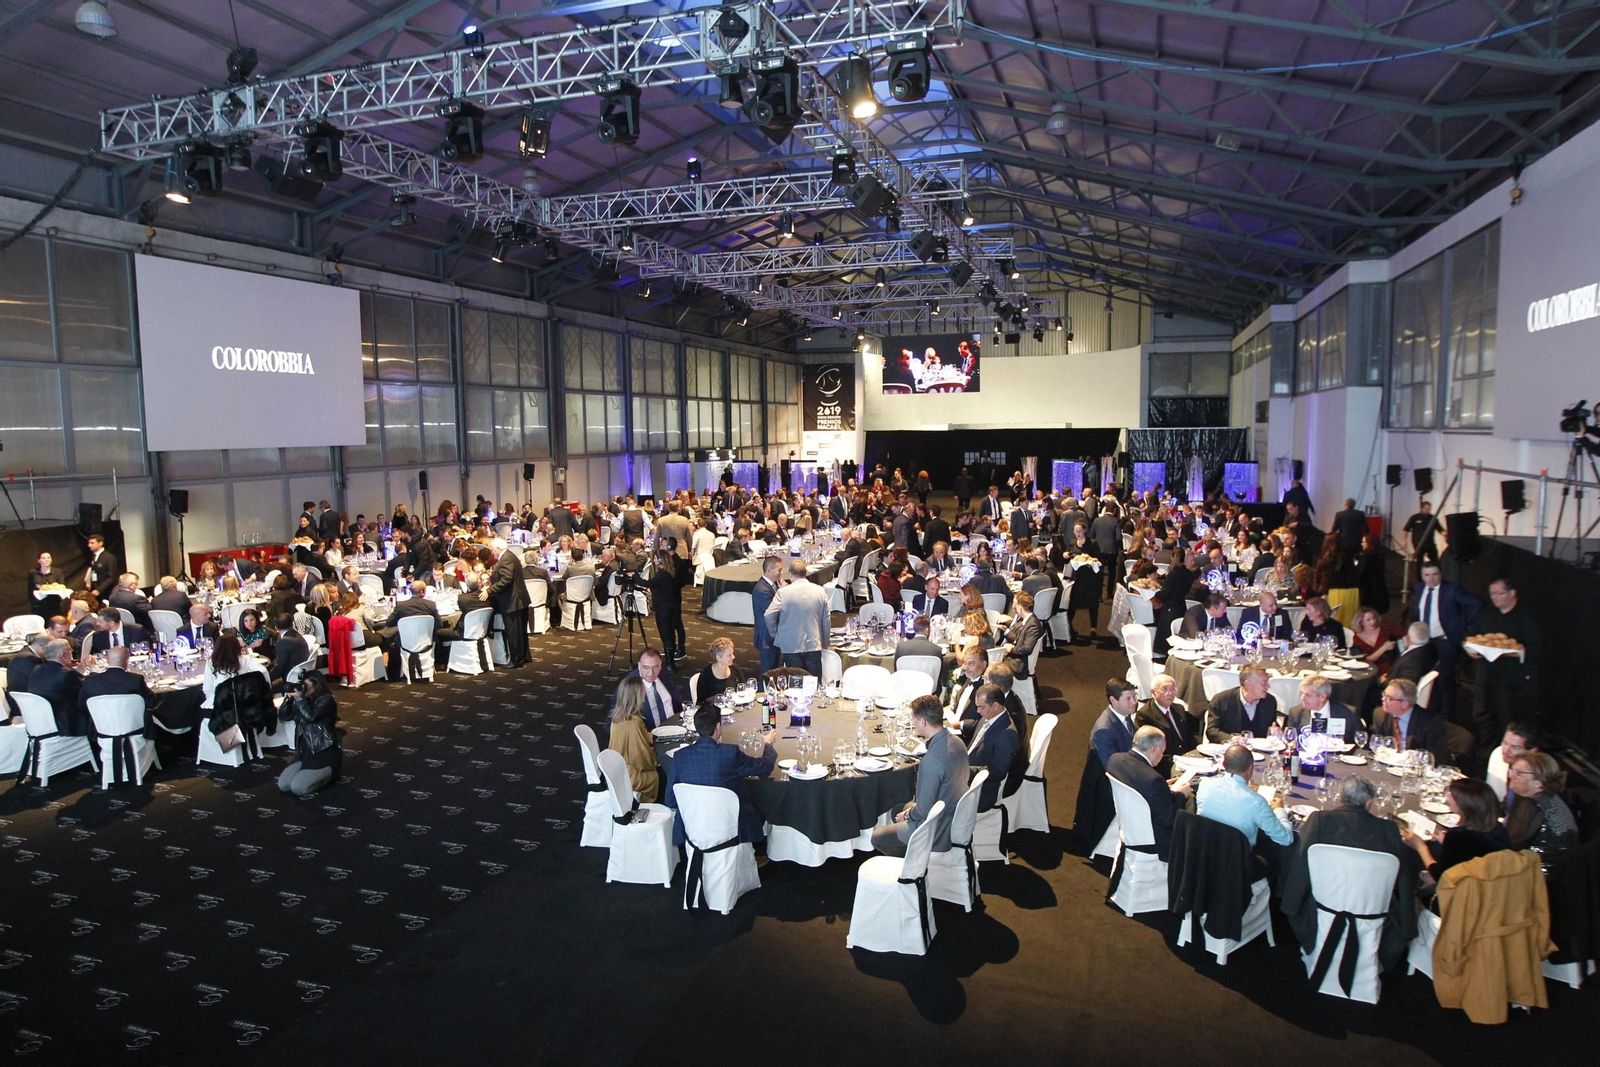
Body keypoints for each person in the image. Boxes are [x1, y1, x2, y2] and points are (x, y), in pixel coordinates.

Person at [1281, 776, 1421, 977]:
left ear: (1341, 798)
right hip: (1372, 911)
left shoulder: (1319, 820)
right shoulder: (1389, 830)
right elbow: (1404, 878)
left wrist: (1290, 905)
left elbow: (1300, 864)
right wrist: (1408, 924)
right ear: (1369, 802)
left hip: (1321, 907)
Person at [665, 703, 776, 846]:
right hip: (733, 830)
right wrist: (768, 744)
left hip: (693, 833)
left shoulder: (680, 756)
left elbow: (670, 800)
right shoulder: (730, 753)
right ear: (718, 727)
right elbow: (764, 767)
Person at [871, 696, 969, 857]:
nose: (913, 723)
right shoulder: (957, 742)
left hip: (936, 826)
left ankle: (915, 861)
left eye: (914, 719)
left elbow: (923, 810)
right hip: (952, 810)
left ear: (923, 722)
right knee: (897, 809)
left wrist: (907, 815)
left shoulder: (932, 760)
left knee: (877, 838)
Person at [1465, 577, 1541, 754]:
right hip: (1486, 675)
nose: (1494, 597)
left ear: (1512, 593)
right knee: (1482, 715)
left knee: (1507, 718)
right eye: (1492, 594)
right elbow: (1470, 636)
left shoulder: (1526, 618)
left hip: (1511, 679)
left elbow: (1534, 648)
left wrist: (1505, 652)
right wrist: (1468, 648)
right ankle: (1485, 756)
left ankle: (1507, 754)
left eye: (1499, 593)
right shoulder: (1487, 614)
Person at [1406, 560, 1481, 721]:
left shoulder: (1452, 589)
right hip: (1424, 642)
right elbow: (1415, 612)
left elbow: (1477, 603)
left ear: (1441, 574)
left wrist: (1465, 626)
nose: (1431, 579)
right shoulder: (1419, 588)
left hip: (1445, 641)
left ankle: (1447, 719)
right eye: (1427, 575)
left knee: (1445, 680)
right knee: (1423, 678)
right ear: (1422, 576)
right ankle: (1426, 714)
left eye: (1435, 574)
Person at [1400, 778, 1509, 888]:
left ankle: (1406, 895)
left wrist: (1420, 846)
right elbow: (1469, 852)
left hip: (1462, 890)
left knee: (1409, 854)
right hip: (1492, 886)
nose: (1448, 797)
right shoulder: (1500, 830)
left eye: (1451, 795)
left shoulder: (1459, 836)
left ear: (1463, 804)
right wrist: (1445, 840)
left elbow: (1440, 875)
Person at [1107, 725, 1193, 862]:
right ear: (1153, 749)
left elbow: (1137, 782)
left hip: (1128, 825)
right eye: (1162, 751)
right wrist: (1181, 794)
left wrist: (1163, 788)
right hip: (1153, 839)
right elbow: (1169, 820)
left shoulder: (1115, 760)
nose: (1162, 756)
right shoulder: (1153, 779)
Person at [1196, 743, 1293, 851]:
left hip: (1203, 853)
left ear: (1223, 764)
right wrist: (1279, 809)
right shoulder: (1257, 802)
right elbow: (1286, 839)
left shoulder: (1204, 784)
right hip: (1237, 859)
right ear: (1251, 768)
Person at [276, 670, 342, 797]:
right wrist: (289, 699)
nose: (302, 688)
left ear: (316, 685)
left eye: (306, 686)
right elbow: (284, 716)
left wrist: (300, 699)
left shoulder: (326, 700)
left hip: (323, 753)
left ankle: (330, 774)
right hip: (304, 752)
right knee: (284, 784)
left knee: (298, 788)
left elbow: (310, 717)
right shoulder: (303, 700)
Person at [762, 558, 831, 676]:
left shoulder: (783, 592)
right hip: (813, 643)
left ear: (790, 574)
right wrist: (825, 642)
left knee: (796, 681)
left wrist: (776, 634)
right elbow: (826, 619)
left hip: (790, 645)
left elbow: (769, 615)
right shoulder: (820, 591)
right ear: (805, 573)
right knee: (813, 681)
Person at [1505, 752, 1578, 859]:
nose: (1511, 776)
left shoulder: (1534, 805)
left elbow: (1511, 843)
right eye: (1512, 771)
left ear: (1539, 782)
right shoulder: (1544, 797)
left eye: (1519, 773)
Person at [965, 683, 1021, 811]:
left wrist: (964, 771)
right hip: (967, 773)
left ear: (995, 706)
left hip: (981, 791)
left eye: (981, 707)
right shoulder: (989, 717)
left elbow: (997, 772)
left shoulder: (1006, 734)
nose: (978, 711)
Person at [605, 675, 661, 803]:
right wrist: (656, 760)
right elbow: (642, 758)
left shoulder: (617, 717)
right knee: (660, 776)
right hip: (629, 776)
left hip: (615, 770)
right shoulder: (634, 722)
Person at [1370, 677, 1450, 764]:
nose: (1383, 699)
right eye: (1384, 695)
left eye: (1389, 698)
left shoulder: (1430, 722)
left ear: (1405, 704)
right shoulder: (1380, 715)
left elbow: (1436, 757)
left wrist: (1411, 757)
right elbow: (1376, 745)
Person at [27, 638, 88, 738]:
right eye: (70, 650)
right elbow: (84, 692)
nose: (72, 651)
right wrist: (93, 672)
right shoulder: (67, 674)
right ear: (63, 655)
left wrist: (79, 670)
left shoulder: (36, 670)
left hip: (42, 722)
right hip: (68, 725)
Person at [1136, 673, 1194, 776]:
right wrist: (1180, 764)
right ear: (1153, 692)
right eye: (1164, 689)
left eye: (1173, 689)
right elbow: (1151, 751)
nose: (1170, 693)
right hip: (1167, 766)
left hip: (1188, 760)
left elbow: (1189, 737)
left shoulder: (1179, 709)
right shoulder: (1145, 715)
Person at [1205, 665, 1278, 741]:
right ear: (1248, 683)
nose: (1268, 686)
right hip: (1230, 747)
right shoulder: (1222, 700)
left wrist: (1276, 731)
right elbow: (1212, 731)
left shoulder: (1269, 702)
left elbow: (1272, 726)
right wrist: (1231, 738)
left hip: (1260, 747)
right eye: (1264, 683)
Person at [483, 547, 530, 668]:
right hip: (518, 598)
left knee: (513, 632)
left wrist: (489, 590)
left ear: (497, 549)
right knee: (520, 631)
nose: (492, 552)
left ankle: (516, 660)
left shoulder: (506, 559)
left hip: (512, 601)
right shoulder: (510, 556)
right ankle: (524, 655)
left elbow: (507, 579)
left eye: (492, 550)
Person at [618, 649, 681, 731]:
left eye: (655, 667)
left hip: (675, 727)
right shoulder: (629, 686)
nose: (651, 673)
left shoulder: (663, 673)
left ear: (660, 666)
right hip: (650, 734)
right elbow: (617, 721)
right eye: (646, 667)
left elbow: (675, 699)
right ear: (639, 666)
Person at [1283, 675, 1359, 743]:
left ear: (1322, 697)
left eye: (1307, 695)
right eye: (1302, 693)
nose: (1302, 698)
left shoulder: (1348, 713)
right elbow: (1290, 740)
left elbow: (1360, 740)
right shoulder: (1296, 713)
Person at [1151, 550, 1199, 655]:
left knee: (1166, 635)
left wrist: (1155, 594)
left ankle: (1163, 656)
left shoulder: (1174, 574)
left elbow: (1166, 593)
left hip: (1170, 608)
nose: (1193, 563)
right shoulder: (1188, 574)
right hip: (1181, 606)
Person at [1091, 678, 1141, 771]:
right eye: (1128, 699)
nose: (1134, 702)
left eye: (1134, 696)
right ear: (1113, 700)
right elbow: (1113, 768)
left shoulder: (1125, 714)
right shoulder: (1104, 730)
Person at [647, 548, 686, 665]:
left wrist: (634, 576)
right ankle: (671, 658)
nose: (654, 560)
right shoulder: (669, 572)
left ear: (660, 560)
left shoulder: (662, 574)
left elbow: (648, 583)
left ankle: (670, 662)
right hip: (670, 606)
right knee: (670, 632)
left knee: (665, 634)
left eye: (655, 558)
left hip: (663, 608)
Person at [998, 590, 1043, 679]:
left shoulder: (1033, 625)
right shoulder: (1027, 620)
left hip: (1018, 664)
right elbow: (1018, 639)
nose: (1013, 606)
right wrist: (1006, 631)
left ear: (1020, 607)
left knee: (991, 665)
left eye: (1015, 603)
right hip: (1016, 659)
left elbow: (1027, 649)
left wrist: (1011, 649)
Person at [749, 555, 783, 675]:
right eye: (779, 570)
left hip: (772, 636)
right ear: (769, 570)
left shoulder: (772, 585)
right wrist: (782, 592)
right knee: (768, 673)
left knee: (774, 670)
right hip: (766, 639)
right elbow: (773, 611)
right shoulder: (762, 590)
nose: (781, 573)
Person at [1349, 606, 1401, 677]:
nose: (1373, 622)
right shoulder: (1356, 638)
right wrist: (1384, 648)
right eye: (1368, 620)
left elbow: (1404, 633)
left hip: (1390, 670)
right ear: (1361, 622)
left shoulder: (1385, 630)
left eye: (1374, 618)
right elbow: (1363, 661)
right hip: (1370, 671)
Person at [695, 638, 746, 707]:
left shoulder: (735, 668)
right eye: (729, 655)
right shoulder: (706, 675)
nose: (733, 657)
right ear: (718, 658)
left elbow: (744, 690)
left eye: (732, 653)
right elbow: (701, 703)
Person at [268, 613, 311, 691]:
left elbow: (279, 668)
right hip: (300, 676)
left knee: (261, 689)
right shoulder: (297, 635)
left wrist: (266, 679)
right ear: (292, 624)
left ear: (276, 627)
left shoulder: (284, 642)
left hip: (290, 681)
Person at [80, 534, 119, 601]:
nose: (89, 545)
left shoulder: (109, 558)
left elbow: (111, 577)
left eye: (92, 543)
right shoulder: (93, 557)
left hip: (105, 592)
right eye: (89, 543)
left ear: (100, 543)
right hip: (94, 589)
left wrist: (99, 590)